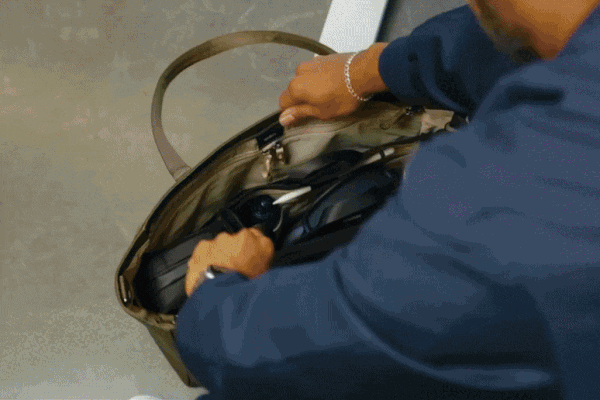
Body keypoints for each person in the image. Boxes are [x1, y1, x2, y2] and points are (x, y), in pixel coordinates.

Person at [164, 1, 600, 399]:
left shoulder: (504, 204)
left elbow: (317, 348)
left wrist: (214, 291)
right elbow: (542, 26)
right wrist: (370, 70)